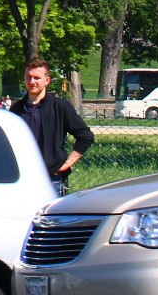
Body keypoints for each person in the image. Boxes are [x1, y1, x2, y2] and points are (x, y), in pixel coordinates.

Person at [9, 57, 94, 196]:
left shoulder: (60, 107)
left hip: (51, 179)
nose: (32, 82)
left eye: (36, 78)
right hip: (21, 179)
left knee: (50, 217)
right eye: (28, 77)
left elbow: (85, 136)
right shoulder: (16, 109)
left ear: (47, 81)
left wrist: (67, 163)